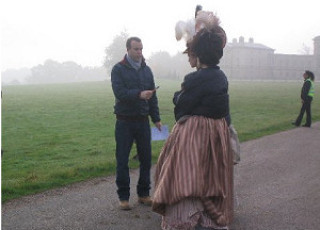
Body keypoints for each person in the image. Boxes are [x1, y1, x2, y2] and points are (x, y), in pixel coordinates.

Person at [152, 27, 233, 229]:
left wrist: (179, 96)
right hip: (217, 134)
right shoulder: (221, 76)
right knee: (210, 176)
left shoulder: (194, 79)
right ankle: (210, 214)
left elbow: (181, 110)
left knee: (184, 176)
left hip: (194, 136)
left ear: (198, 55)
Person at [111, 36, 162, 210]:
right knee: (122, 160)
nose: (140, 52)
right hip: (124, 122)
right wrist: (139, 94)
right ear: (128, 49)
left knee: (146, 160)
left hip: (142, 122)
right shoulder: (118, 69)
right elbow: (119, 92)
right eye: (136, 49)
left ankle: (143, 194)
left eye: (141, 49)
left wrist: (156, 119)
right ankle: (124, 198)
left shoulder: (146, 70)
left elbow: (153, 97)